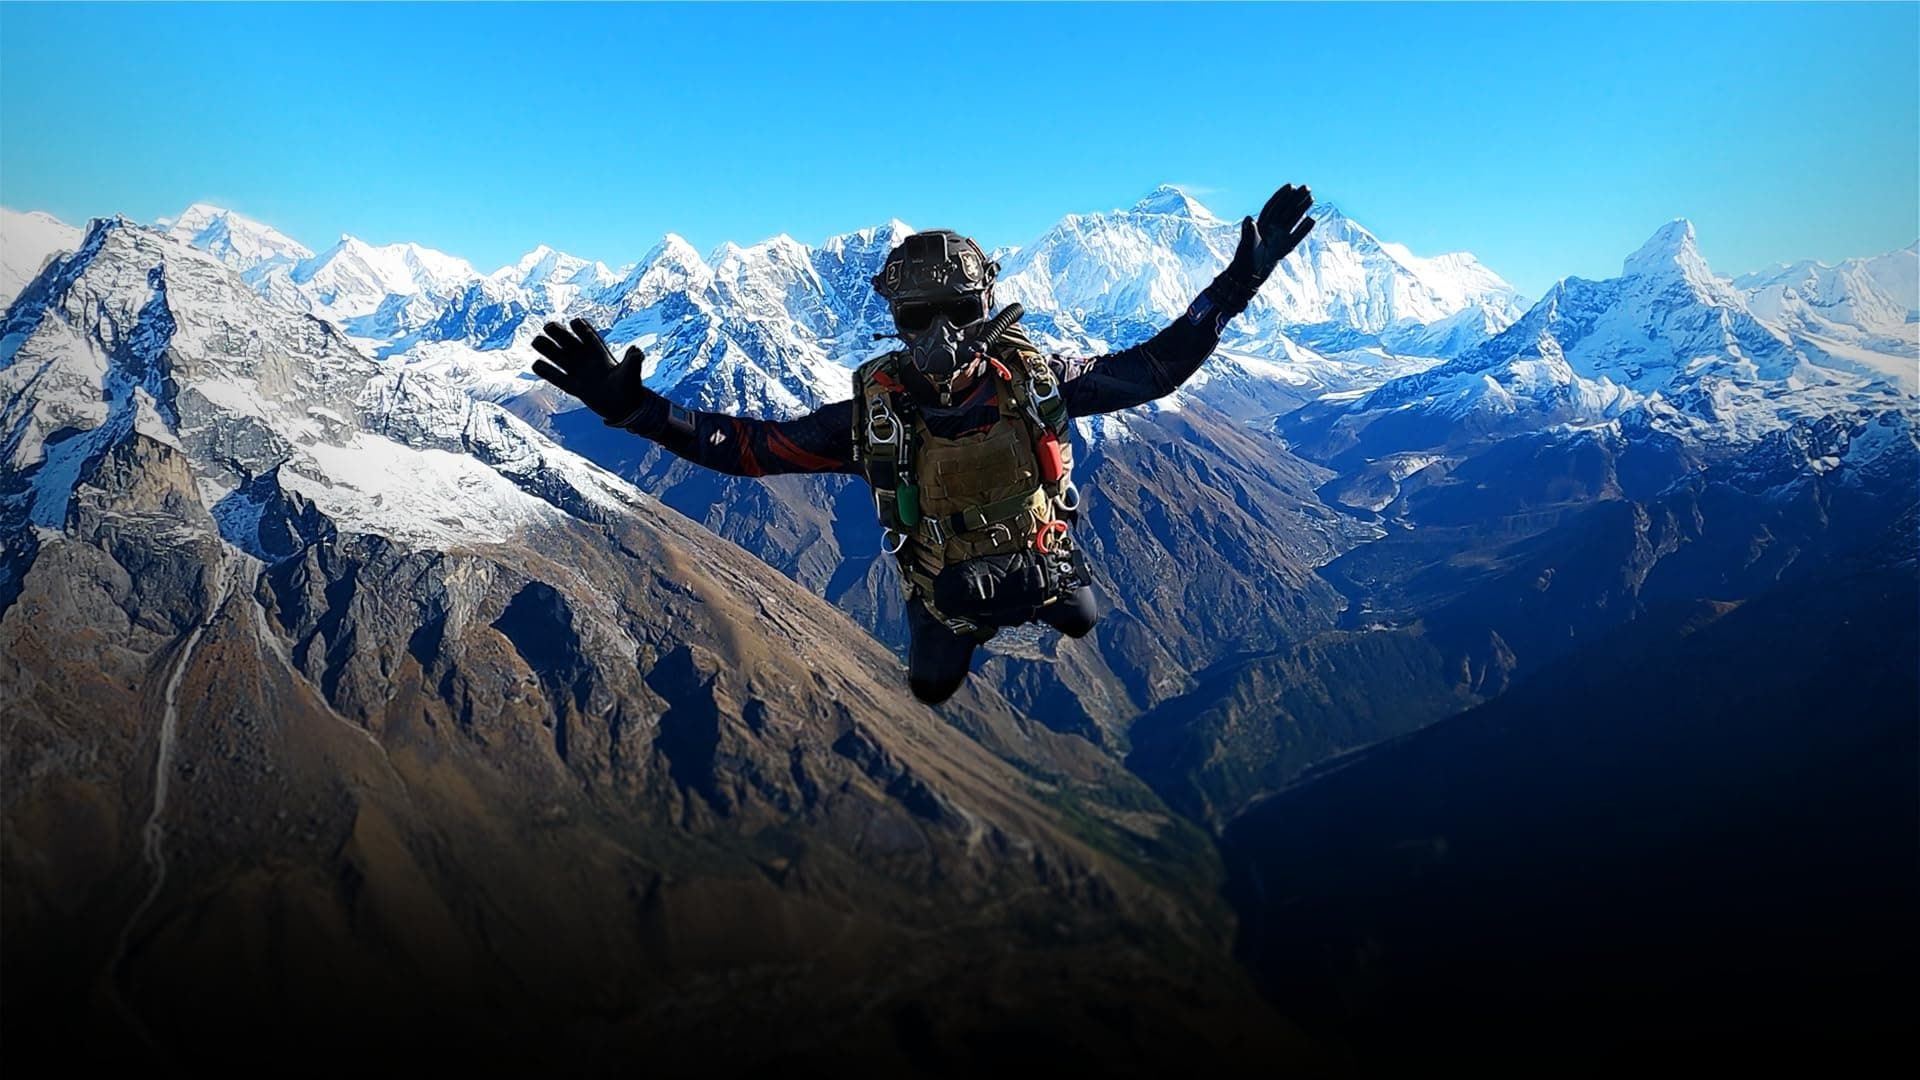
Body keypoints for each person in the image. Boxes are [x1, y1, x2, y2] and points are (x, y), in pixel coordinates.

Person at [531, 184, 1316, 705]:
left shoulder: (1025, 385)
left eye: (952, 310)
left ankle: (1036, 590)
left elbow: (1161, 365)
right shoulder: (899, 412)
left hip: (1032, 556)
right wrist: (634, 408)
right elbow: (749, 449)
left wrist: (1238, 284)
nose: (937, 334)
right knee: (935, 687)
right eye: (918, 317)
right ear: (896, 321)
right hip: (945, 584)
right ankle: (982, 617)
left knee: (1077, 618)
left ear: (983, 307)